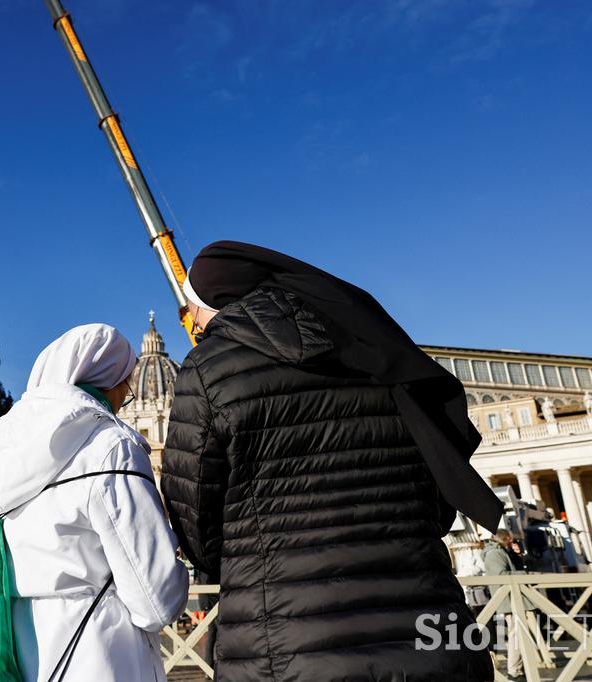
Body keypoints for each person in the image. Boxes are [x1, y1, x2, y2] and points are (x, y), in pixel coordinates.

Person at [162, 241, 500, 681]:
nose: (194, 323)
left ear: (215, 303)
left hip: (287, 635)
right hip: (433, 628)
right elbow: (439, 488)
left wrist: (247, 551)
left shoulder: (207, 368)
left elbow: (195, 517)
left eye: (193, 311)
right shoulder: (376, 349)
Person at [0, 323, 189, 681]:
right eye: (126, 386)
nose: (124, 399)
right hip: (97, 655)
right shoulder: (112, 447)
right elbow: (156, 601)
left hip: (7, 656)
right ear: (110, 382)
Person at [483, 530, 532, 680]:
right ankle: (514, 671)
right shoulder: (494, 554)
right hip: (509, 600)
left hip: (512, 599)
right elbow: (501, 575)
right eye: (511, 540)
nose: (513, 542)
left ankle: (518, 668)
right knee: (515, 634)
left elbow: (514, 568)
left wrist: (517, 554)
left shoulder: (502, 551)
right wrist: (524, 575)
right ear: (506, 538)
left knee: (518, 633)